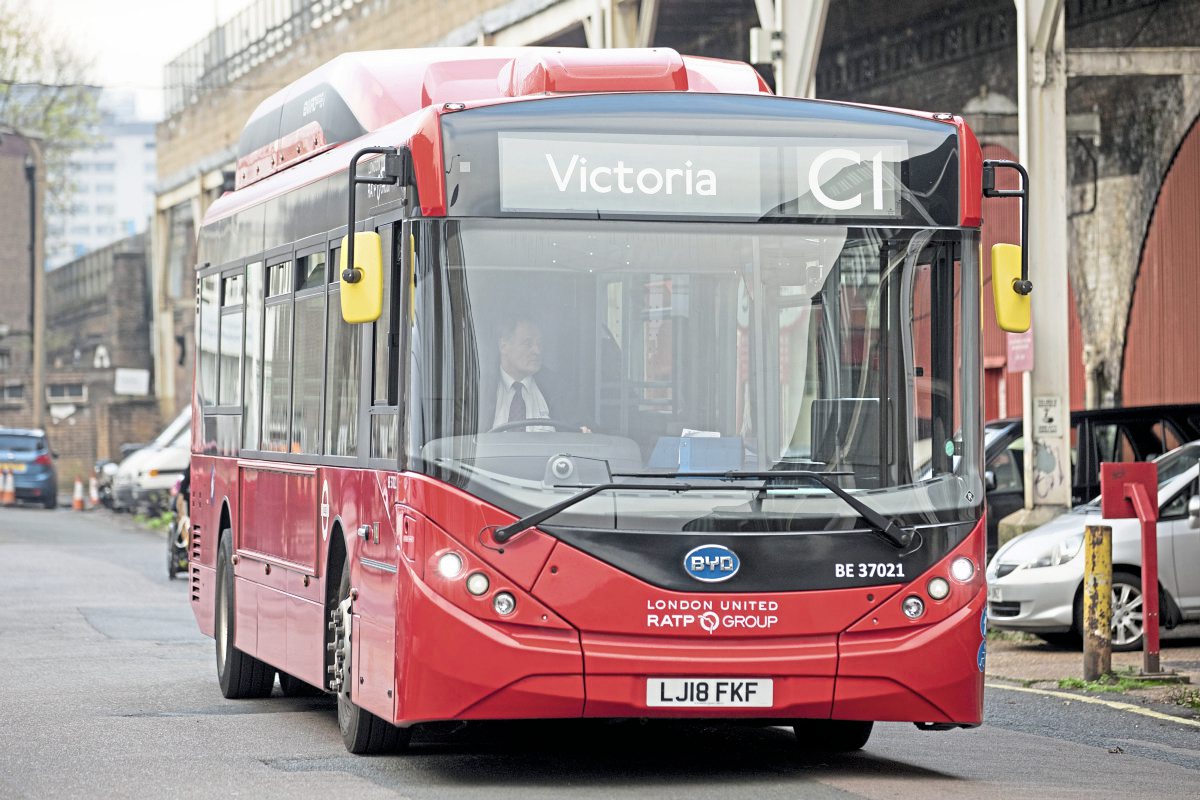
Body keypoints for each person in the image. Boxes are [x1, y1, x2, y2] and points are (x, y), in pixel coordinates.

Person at [479, 316, 583, 431]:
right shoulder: (477, 390)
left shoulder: (559, 390)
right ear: (503, 346)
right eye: (528, 344)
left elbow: (579, 431)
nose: (537, 351)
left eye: (539, 344)